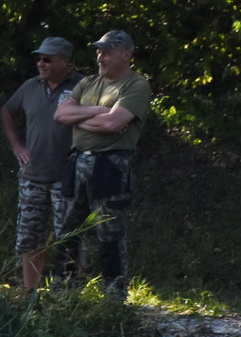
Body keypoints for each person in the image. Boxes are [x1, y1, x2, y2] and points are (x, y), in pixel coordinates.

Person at [53, 31, 152, 297]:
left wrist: (79, 118)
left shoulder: (136, 85)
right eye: (99, 51)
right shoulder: (87, 83)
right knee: (66, 231)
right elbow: (60, 114)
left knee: (109, 232)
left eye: (107, 52)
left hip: (111, 164)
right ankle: (64, 292)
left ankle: (113, 296)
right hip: (77, 162)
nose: (101, 56)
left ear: (126, 54)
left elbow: (114, 123)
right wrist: (98, 112)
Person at [1, 38, 81, 290]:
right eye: (39, 58)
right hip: (32, 176)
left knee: (68, 238)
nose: (41, 63)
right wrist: (17, 146)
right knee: (29, 238)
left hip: (68, 176)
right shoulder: (30, 86)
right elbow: (6, 111)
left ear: (65, 61)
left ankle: (66, 295)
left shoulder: (83, 86)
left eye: (47, 59)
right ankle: (29, 293)